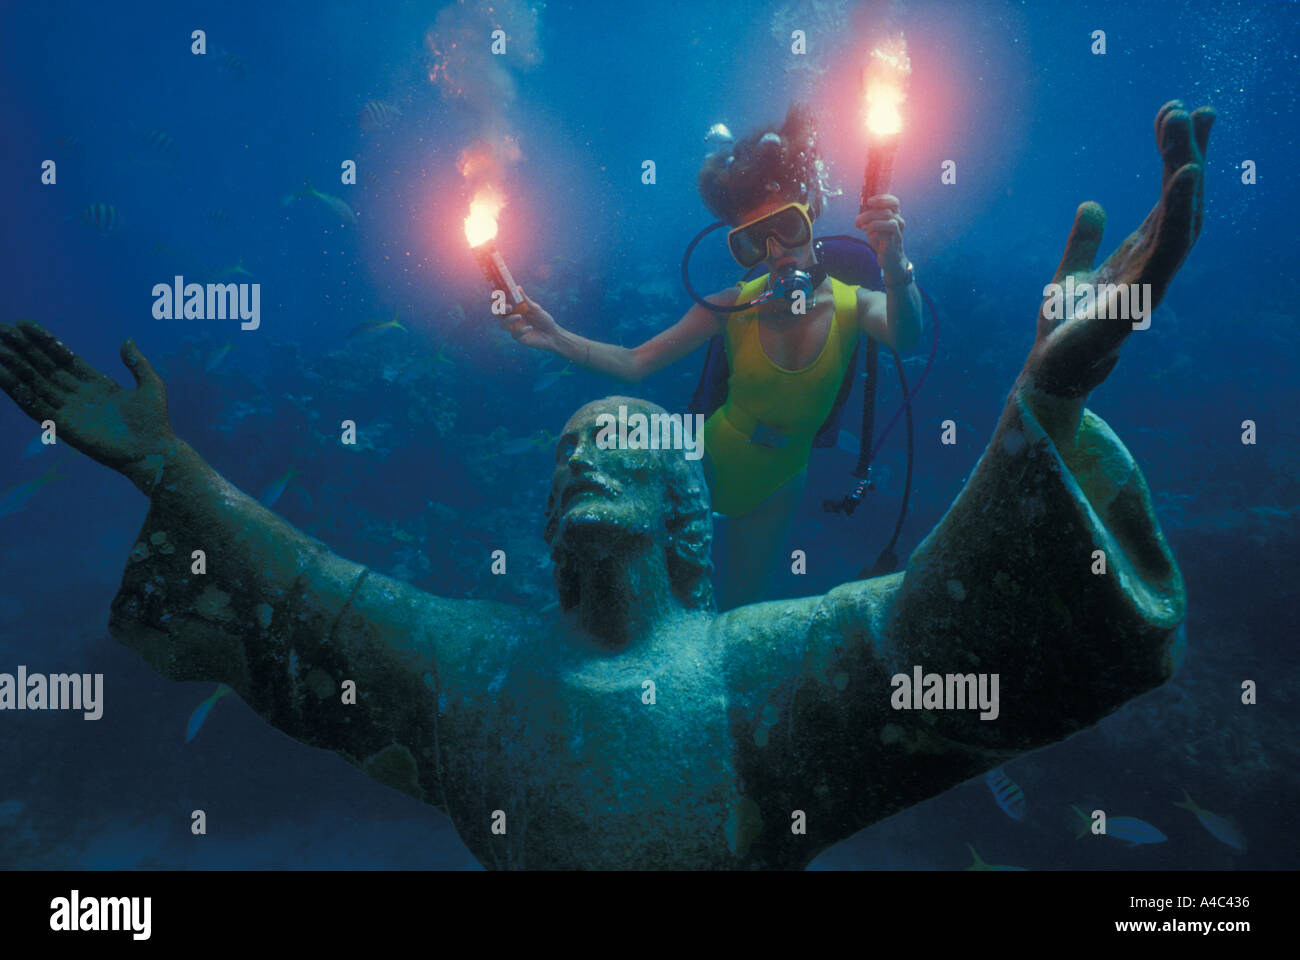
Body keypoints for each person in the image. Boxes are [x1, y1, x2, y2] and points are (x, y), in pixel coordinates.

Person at [0, 101, 1213, 869]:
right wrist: (164, 462)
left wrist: (1040, 404)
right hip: (724, 460)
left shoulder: (752, 672)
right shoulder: (476, 664)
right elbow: (311, 596)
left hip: (762, 486)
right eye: (569, 452)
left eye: (616, 450)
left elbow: (934, 627)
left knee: (760, 594)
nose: (584, 456)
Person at [500, 104, 924, 609]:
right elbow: (635, 363)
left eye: (788, 228)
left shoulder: (856, 305)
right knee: (661, 598)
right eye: (753, 241)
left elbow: (907, 336)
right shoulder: (730, 306)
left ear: (812, 211)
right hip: (704, 463)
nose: (777, 252)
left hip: (779, 484)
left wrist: (894, 261)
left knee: (743, 608)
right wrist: (555, 337)